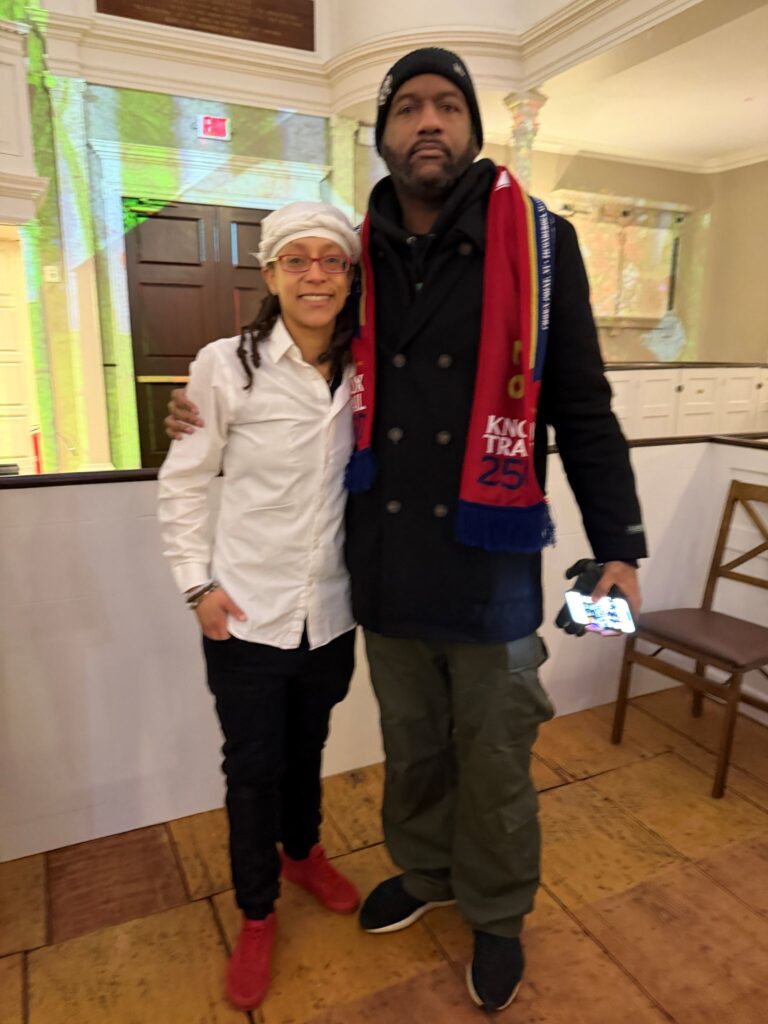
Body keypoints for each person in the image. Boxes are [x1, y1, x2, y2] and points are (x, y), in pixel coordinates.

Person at [165, 49, 647, 1013]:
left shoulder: (541, 244)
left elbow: (583, 407)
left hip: (494, 559)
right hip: (380, 565)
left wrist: (622, 545)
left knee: (499, 754)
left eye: (448, 105)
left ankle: (498, 911)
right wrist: (199, 405)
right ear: (382, 133)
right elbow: (283, 355)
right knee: (415, 744)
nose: (429, 121)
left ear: (473, 127)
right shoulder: (353, 253)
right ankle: (426, 873)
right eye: (409, 108)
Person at [157, 202, 363, 1012]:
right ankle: (255, 912)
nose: (316, 273)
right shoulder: (225, 365)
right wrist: (196, 586)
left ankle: (303, 851)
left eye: (333, 260)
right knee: (252, 767)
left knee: (307, 743)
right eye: (298, 260)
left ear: (350, 277)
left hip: (332, 610)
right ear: (271, 273)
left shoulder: (367, 370)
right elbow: (182, 483)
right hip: (244, 611)